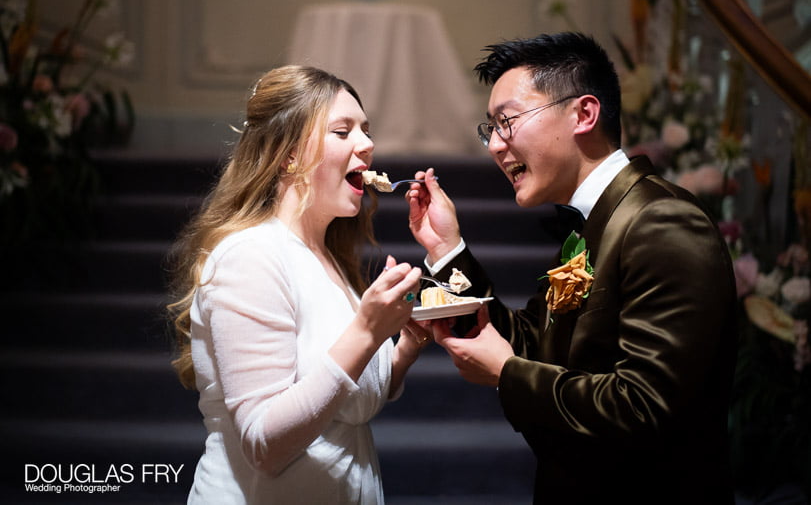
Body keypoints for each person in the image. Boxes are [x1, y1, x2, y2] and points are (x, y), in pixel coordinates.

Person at [406, 32, 738, 504]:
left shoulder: (662, 221)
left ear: (584, 114)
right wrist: (447, 249)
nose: (495, 146)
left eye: (508, 122)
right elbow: (537, 347)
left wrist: (507, 374)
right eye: (491, 129)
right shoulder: (593, 222)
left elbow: (644, 408)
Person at [166, 65, 427, 504]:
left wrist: (404, 347)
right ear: (288, 155)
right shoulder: (250, 256)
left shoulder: (328, 260)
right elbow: (264, 446)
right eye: (343, 131)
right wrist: (366, 332)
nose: (368, 145)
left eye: (365, 130)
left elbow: (351, 408)